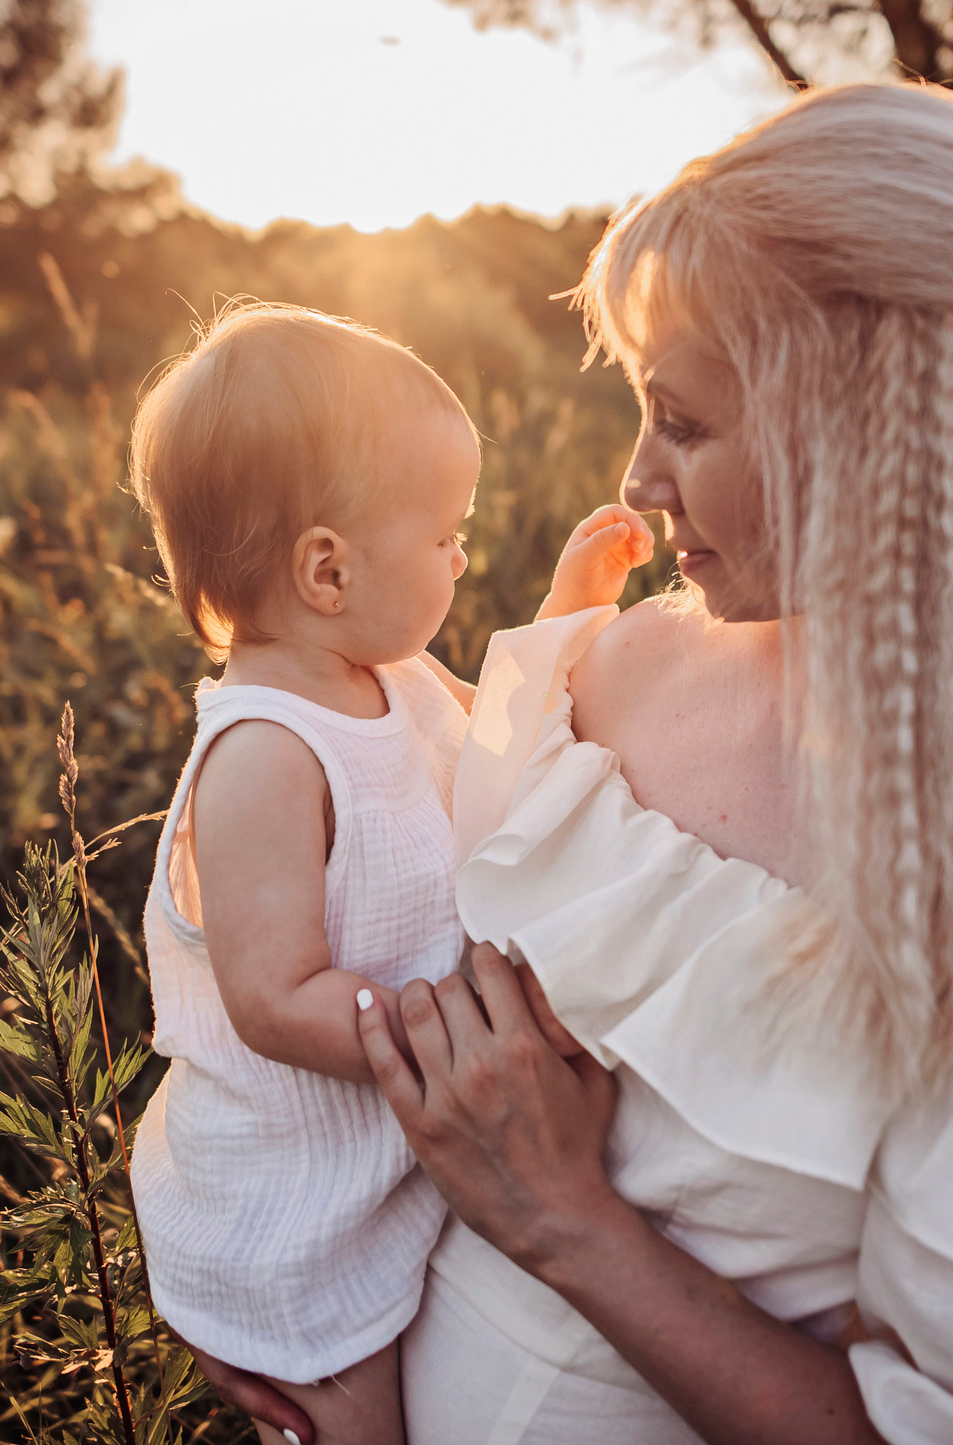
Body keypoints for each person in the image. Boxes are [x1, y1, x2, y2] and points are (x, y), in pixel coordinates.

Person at [198, 84, 953, 1443]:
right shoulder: (608, 674)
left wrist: (569, 1224)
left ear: (869, 441)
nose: (641, 476)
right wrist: (268, 1292)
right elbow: (353, 962)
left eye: (687, 422)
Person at [124, 304, 654, 1445]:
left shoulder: (394, 673)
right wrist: (455, 1030)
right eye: (445, 535)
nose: (461, 556)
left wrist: (570, 613)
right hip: (291, 1213)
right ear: (328, 568)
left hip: (386, 1161)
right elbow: (272, 996)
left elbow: (503, 740)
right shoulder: (266, 752)